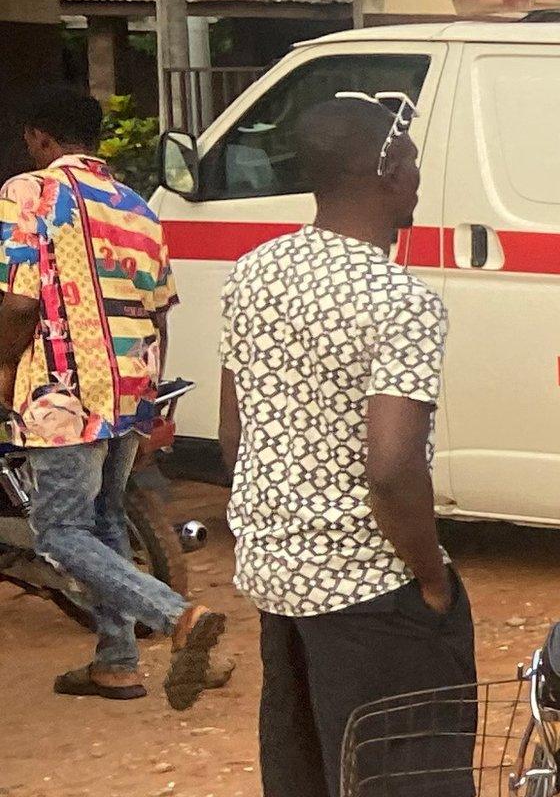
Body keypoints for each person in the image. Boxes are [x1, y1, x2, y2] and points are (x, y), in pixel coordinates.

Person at [220, 96, 476, 796]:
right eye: (414, 162)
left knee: (307, 768)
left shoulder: (254, 272)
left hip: (280, 585)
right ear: (388, 168)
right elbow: (392, 469)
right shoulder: (401, 300)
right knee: (403, 776)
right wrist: (429, 579)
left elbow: (234, 435)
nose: (419, 178)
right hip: (372, 591)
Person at [0, 86, 229, 709]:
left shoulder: (30, 192)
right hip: (131, 390)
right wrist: (146, 392)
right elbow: (160, 315)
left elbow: (20, 303)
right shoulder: (137, 207)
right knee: (103, 522)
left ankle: (179, 615)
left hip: (61, 393)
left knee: (57, 530)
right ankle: (116, 664)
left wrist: (2, 371)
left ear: (37, 138)